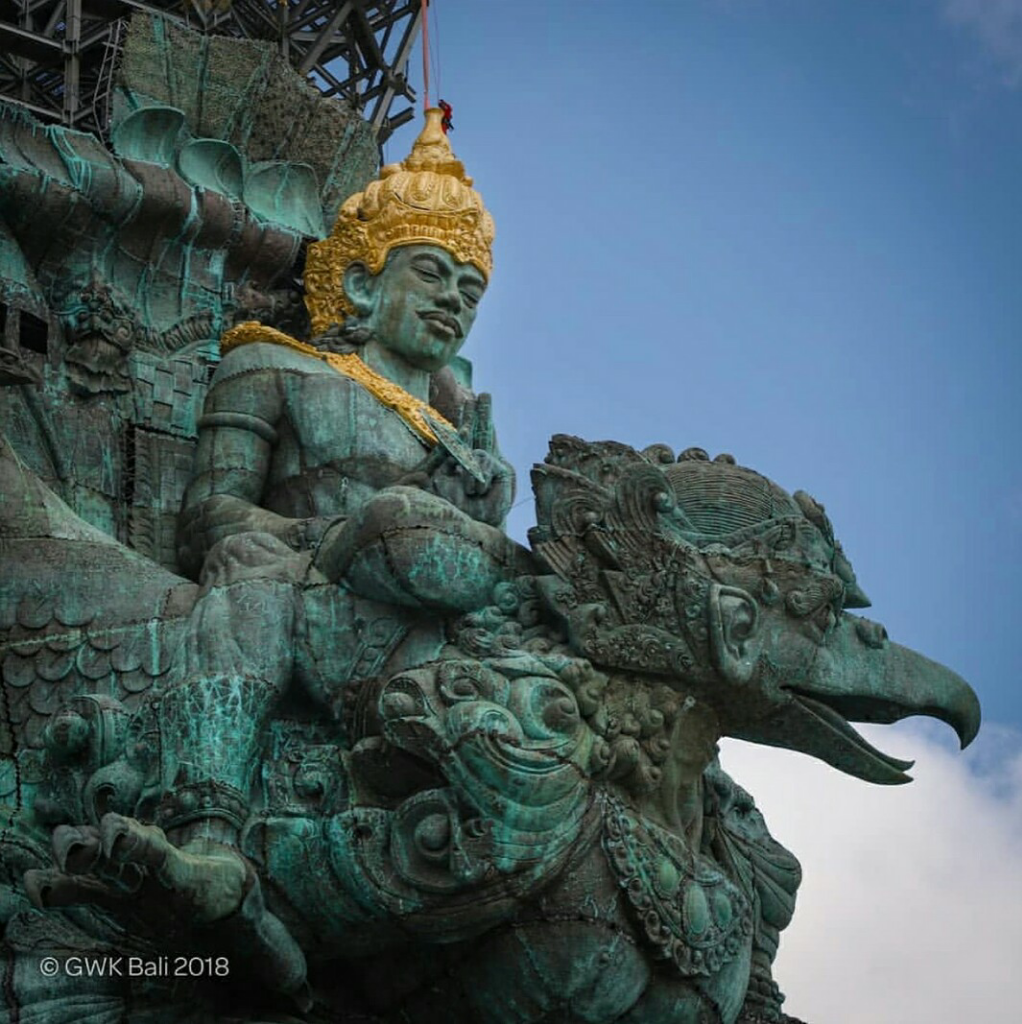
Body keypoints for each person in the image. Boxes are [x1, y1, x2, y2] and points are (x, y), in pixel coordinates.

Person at [176, 107, 517, 612]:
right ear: (362, 284)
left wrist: (482, 512)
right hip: (305, 601)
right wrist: (347, 534)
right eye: (430, 273)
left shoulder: (463, 435)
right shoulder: (270, 367)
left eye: (470, 294)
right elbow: (207, 517)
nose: (452, 300)